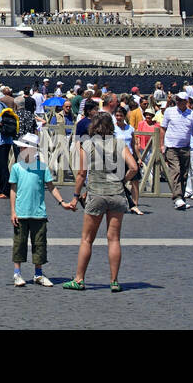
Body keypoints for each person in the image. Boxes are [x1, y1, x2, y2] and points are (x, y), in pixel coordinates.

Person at [63, 112, 137, 292]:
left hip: (96, 193)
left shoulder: (87, 145)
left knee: (87, 239)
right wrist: (122, 180)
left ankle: (79, 279)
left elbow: (81, 174)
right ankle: (114, 281)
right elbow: (134, 167)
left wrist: (75, 196)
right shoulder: (119, 144)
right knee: (114, 239)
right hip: (117, 194)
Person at [9, 133, 74, 287]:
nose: (20, 150)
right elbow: (13, 190)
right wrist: (13, 211)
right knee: (19, 243)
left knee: (39, 244)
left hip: (38, 213)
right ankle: (17, 273)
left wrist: (62, 202)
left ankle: (38, 273)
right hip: (21, 212)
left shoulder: (42, 167)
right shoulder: (16, 168)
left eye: (23, 147)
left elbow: (51, 187)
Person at [159, 92, 193, 210]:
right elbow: (163, 128)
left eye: (181, 100)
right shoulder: (169, 111)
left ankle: (181, 197)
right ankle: (177, 197)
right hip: (171, 147)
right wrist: (162, 145)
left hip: (185, 147)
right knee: (175, 171)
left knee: (184, 174)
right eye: (177, 100)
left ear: (186, 102)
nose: (178, 102)